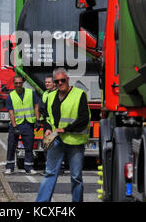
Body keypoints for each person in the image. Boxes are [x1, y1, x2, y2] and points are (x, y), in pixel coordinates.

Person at [36, 68, 90, 202]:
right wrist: (48, 129)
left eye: (63, 80)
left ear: (68, 79)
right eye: (57, 81)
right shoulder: (51, 97)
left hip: (75, 142)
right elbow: (48, 117)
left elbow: (84, 119)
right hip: (56, 140)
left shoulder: (79, 94)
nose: (60, 83)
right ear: (54, 83)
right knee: (50, 173)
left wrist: (66, 129)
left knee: (76, 177)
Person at [5, 75, 40, 175]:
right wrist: (15, 126)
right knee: (11, 145)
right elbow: (11, 112)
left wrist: (37, 120)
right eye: (16, 83)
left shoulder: (30, 93)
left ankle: (29, 167)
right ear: (14, 84)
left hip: (28, 123)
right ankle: (10, 167)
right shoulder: (11, 96)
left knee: (29, 146)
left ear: (22, 83)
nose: (18, 85)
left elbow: (36, 106)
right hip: (16, 124)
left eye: (20, 83)